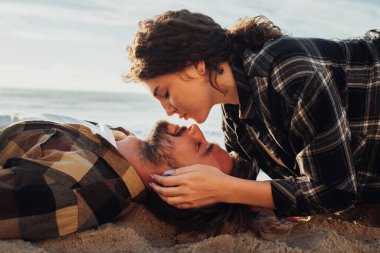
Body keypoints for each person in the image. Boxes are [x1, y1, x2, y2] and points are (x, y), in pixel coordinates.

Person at [126, 9, 380, 219]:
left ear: (196, 65)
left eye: (166, 93)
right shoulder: (237, 122)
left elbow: (335, 192)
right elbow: (244, 184)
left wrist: (225, 189)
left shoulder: (288, 72)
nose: (168, 110)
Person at [0, 113, 256, 240]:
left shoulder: (81, 187)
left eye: (201, 146)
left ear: (183, 185)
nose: (196, 129)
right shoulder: (122, 142)